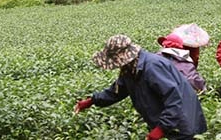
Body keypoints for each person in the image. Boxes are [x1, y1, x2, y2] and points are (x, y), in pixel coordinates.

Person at [74, 34, 207, 140]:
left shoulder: (152, 67)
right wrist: (92, 100)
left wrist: (162, 128)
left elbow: (174, 98)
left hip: (182, 123)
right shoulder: (130, 69)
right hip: (166, 122)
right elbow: (116, 91)